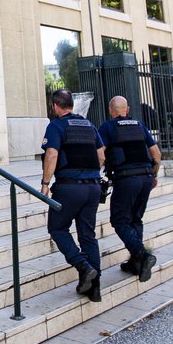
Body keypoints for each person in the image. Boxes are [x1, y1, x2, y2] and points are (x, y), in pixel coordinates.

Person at [41, 89, 106, 302]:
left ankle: (82, 265)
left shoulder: (56, 125)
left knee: (57, 228)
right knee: (88, 234)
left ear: (55, 106)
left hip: (69, 187)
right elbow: (101, 154)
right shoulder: (88, 125)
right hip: (93, 187)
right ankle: (94, 288)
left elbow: (52, 154)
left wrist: (45, 184)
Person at [98, 95, 162, 283]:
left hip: (126, 179)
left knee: (119, 220)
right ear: (127, 110)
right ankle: (136, 264)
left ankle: (142, 255)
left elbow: (100, 154)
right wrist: (154, 175)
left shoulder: (108, 127)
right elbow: (156, 153)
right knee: (135, 219)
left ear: (111, 110)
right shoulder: (139, 125)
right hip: (146, 178)